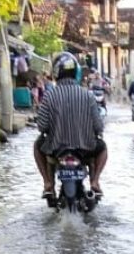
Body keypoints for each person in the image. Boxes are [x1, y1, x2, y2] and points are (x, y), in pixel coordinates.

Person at [34, 52, 108, 199]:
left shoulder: (49, 96)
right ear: (75, 72)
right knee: (103, 147)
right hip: (85, 149)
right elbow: (99, 126)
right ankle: (95, 181)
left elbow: (41, 127)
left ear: (56, 73)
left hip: (56, 149)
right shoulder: (88, 95)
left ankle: (48, 183)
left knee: (37, 146)